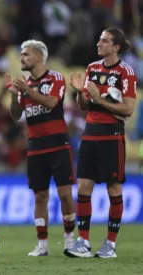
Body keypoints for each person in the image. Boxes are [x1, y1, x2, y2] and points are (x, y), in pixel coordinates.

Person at [65, 28, 136, 259]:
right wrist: (79, 93)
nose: (98, 43)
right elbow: (84, 106)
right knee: (84, 188)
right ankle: (83, 242)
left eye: (104, 40)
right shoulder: (92, 68)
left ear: (115, 47)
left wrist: (99, 100)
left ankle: (110, 244)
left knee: (113, 189)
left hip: (112, 135)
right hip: (90, 134)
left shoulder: (126, 72)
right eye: (99, 39)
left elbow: (127, 109)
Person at [6, 40, 76, 257]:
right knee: (40, 196)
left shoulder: (55, 78)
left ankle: (69, 240)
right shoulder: (24, 84)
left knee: (65, 194)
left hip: (58, 145)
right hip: (35, 147)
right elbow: (16, 114)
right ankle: (42, 244)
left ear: (38, 57)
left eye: (26, 54)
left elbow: (52, 103)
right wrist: (13, 94)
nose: (21, 58)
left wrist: (26, 90)